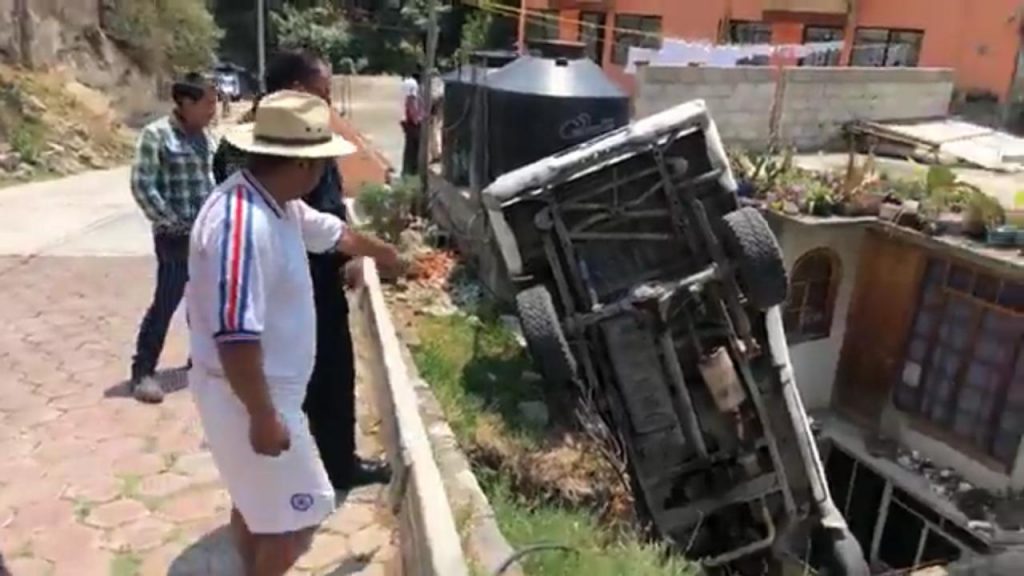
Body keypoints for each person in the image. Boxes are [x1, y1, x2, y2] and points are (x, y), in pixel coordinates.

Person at [187, 90, 404, 575]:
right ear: (305, 165)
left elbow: (334, 233)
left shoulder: (275, 203)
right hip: (250, 395)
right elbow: (235, 336)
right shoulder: (242, 224)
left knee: (257, 507)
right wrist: (263, 415)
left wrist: (384, 253)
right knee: (301, 516)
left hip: (258, 391)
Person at [213, 50, 391, 491]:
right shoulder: (250, 160)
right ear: (295, 90)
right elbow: (234, 331)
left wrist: (355, 253)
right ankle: (295, 468)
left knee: (332, 375)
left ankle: (334, 465)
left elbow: (326, 215)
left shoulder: (305, 136)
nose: (328, 102)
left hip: (318, 274)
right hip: (287, 284)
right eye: (322, 92)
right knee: (296, 378)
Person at [129, 72, 218, 404]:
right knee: (167, 302)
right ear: (186, 102)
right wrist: (171, 221)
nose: (213, 110)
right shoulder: (157, 135)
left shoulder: (207, 138)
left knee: (206, 303)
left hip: (207, 237)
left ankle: (202, 363)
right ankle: (143, 372)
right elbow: (142, 185)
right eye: (208, 103)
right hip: (175, 239)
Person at [400, 68, 422, 176]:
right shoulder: (413, 85)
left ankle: (407, 172)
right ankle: (412, 172)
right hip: (412, 122)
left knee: (409, 148)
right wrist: (417, 119)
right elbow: (411, 102)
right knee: (414, 149)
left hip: (407, 121)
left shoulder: (406, 83)